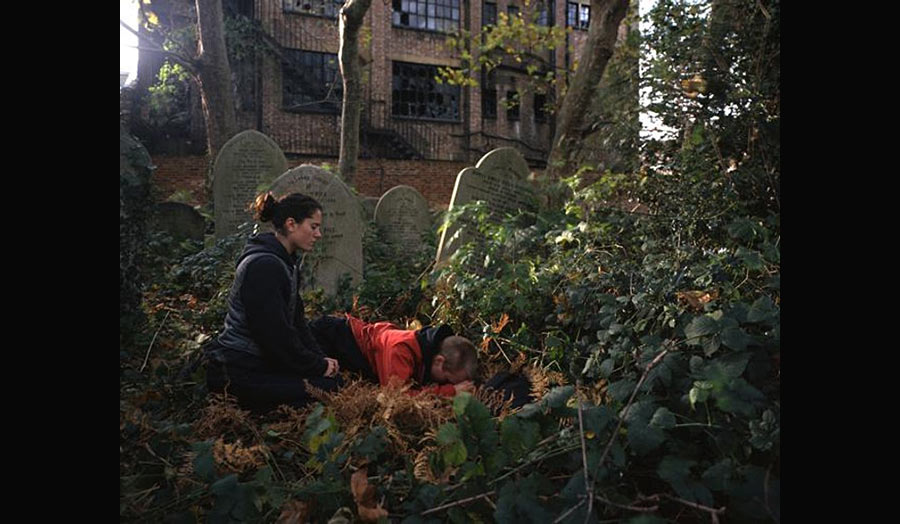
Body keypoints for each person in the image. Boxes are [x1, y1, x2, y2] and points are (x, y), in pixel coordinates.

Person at [203, 192, 342, 413]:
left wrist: (321, 360)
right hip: (238, 371)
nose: (318, 234)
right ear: (291, 224)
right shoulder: (264, 266)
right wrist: (317, 366)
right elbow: (274, 337)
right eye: (313, 227)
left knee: (332, 378)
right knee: (327, 390)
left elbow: (297, 323)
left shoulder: (285, 263)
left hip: (262, 363)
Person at [310, 315, 478, 396]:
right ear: (439, 361)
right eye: (447, 378)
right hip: (327, 340)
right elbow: (396, 398)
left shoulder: (423, 350)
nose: (444, 382)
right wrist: (450, 391)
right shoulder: (400, 350)